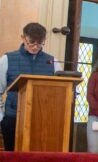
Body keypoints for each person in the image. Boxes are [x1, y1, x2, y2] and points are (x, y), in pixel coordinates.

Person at [0, 23, 57, 151]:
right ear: (23, 38)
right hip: (13, 118)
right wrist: (1, 116)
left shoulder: (53, 62)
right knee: (12, 159)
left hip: (42, 119)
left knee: (37, 158)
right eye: (32, 42)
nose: (36, 47)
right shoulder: (7, 59)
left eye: (40, 43)